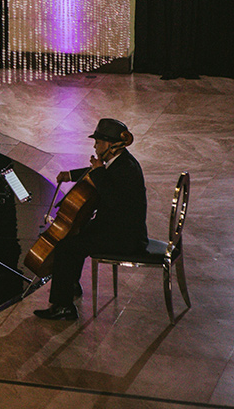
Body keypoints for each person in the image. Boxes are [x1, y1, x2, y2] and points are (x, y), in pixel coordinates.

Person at [34, 118, 148, 321]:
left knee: (66, 247)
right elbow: (99, 174)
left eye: (98, 142)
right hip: (115, 228)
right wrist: (71, 174)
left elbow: (112, 199)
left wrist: (98, 173)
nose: (95, 146)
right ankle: (70, 285)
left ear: (111, 145)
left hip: (125, 238)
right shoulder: (120, 161)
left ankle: (63, 306)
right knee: (76, 235)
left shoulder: (127, 170)